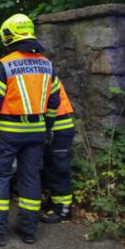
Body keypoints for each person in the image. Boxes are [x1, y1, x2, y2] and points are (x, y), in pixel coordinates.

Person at [0, 13, 60, 246]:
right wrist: (47, 128)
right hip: (37, 132)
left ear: (10, 36)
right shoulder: (47, 65)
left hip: (7, 133)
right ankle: (28, 230)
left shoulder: (4, 65)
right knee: (30, 178)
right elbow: (54, 101)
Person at [41, 78, 75, 223]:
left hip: (59, 127)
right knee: (50, 168)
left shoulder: (42, 74)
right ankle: (55, 203)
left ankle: (63, 210)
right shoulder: (44, 71)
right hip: (55, 126)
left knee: (59, 169)